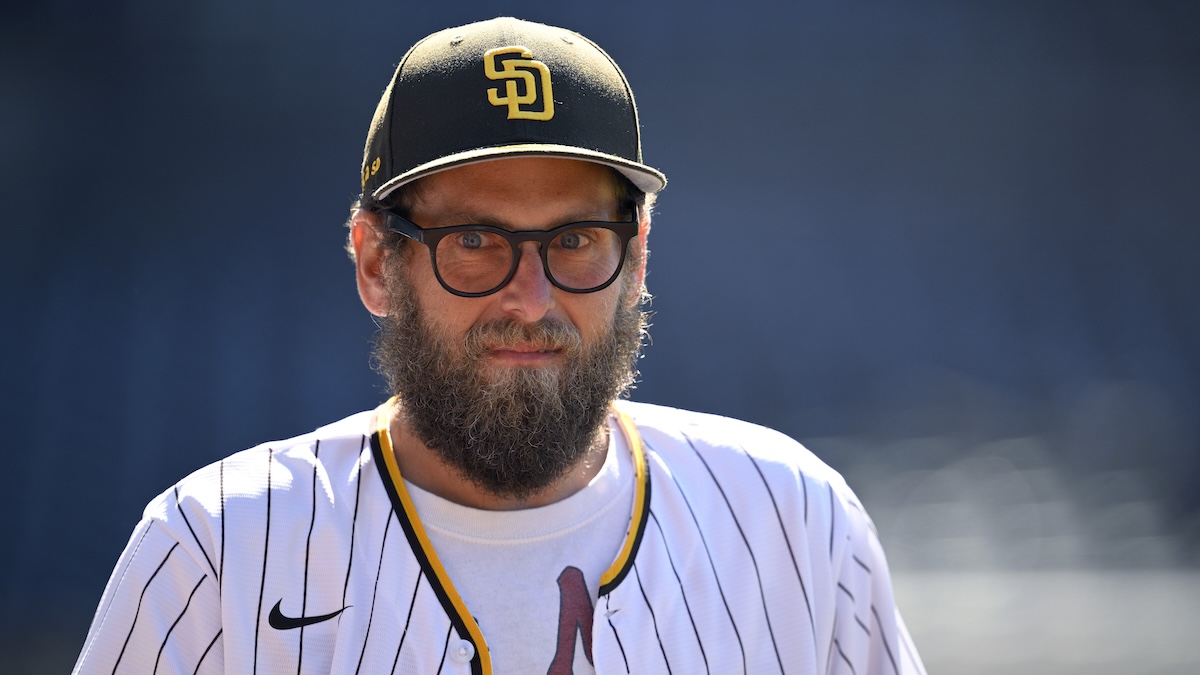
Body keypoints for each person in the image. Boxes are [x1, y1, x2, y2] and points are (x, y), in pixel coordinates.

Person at [74, 16, 924, 675]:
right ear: (376, 262)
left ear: (637, 258)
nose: (533, 298)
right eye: (476, 241)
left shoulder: (795, 520)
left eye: (577, 239)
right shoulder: (217, 548)